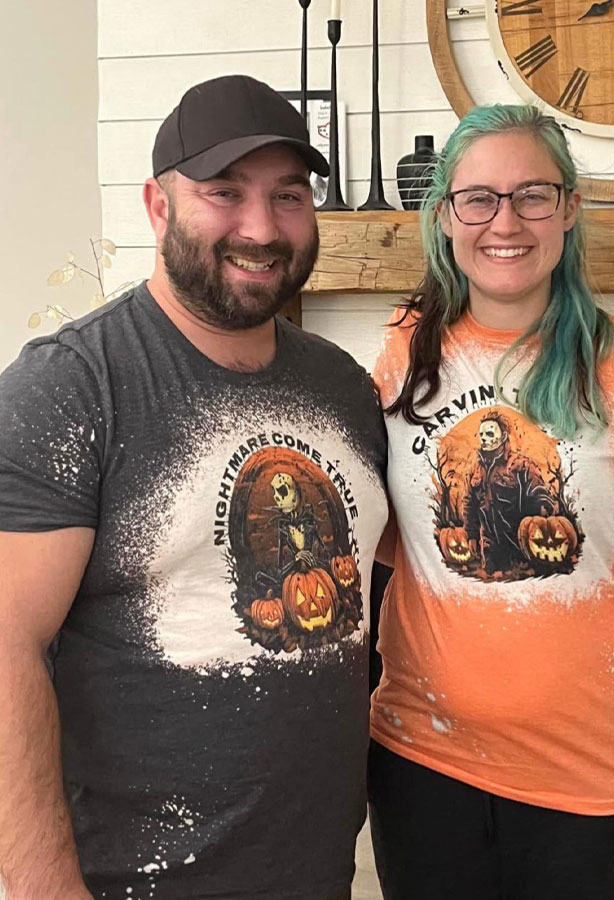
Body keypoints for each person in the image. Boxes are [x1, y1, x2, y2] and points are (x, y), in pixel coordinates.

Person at [0, 75, 389, 900]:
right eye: (224, 193)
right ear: (157, 204)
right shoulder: (73, 387)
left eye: (289, 195)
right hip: (129, 880)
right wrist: (40, 886)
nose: (261, 227)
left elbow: (390, 559)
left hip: (317, 870)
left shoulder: (343, 387)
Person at [368, 104, 614, 900]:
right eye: (478, 198)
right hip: (422, 761)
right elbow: (391, 533)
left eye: (533, 195)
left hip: (597, 772)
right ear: (445, 215)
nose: (504, 221)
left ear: (569, 208)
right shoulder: (402, 352)